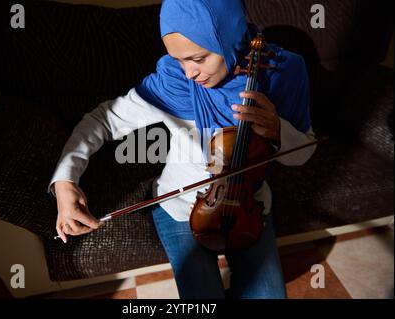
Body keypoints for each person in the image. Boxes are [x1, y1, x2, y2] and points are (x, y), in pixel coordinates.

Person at [48, 0, 316, 299]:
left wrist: (279, 131)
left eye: (199, 58)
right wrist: (64, 181)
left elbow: (303, 154)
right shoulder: (173, 82)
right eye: (179, 59)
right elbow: (103, 121)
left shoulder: (284, 72)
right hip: (180, 205)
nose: (190, 73)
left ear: (230, 38)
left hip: (249, 206)